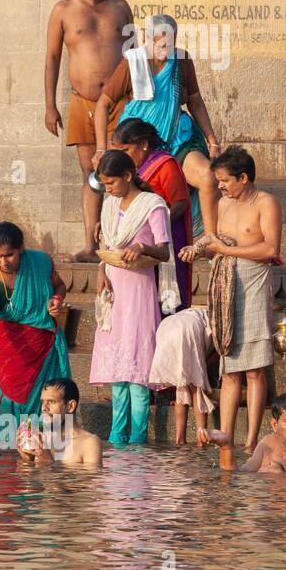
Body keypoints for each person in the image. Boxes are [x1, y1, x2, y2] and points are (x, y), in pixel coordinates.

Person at [181, 145, 282, 453]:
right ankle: (225, 438)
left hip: (253, 283)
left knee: (254, 370)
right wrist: (197, 249)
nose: (220, 186)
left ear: (244, 177)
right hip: (226, 285)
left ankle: (251, 441)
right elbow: (215, 241)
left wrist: (227, 251)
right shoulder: (223, 204)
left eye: (225, 181)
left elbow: (270, 250)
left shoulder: (267, 203)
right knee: (229, 369)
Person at [94, 14, 223, 239]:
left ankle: (208, 241)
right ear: (148, 38)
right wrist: (101, 149)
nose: (165, 48)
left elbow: (195, 101)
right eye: (159, 42)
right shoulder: (132, 62)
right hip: (138, 144)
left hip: (177, 138)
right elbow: (103, 105)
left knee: (207, 177)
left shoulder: (181, 61)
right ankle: (120, 237)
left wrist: (212, 140)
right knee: (122, 187)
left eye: (169, 42)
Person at [44, 0, 133, 261]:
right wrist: (50, 105)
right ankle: (91, 246)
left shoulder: (121, 8)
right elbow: (53, 57)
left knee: (124, 170)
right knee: (90, 174)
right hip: (83, 102)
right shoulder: (63, 11)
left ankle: (122, 240)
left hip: (121, 103)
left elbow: (133, 55)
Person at [91, 149, 175, 447]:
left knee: (138, 372)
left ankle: (138, 439)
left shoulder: (153, 206)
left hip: (139, 290)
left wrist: (142, 248)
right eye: (104, 184)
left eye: (111, 183)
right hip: (114, 290)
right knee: (117, 373)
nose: (108, 189)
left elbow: (165, 251)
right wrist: (102, 268)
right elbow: (107, 244)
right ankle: (116, 439)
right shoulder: (111, 204)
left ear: (128, 176)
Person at [0, 223, 71, 437]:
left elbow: (60, 285)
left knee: (46, 421)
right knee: (9, 425)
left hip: (45, 351)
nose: (4, 262)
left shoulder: (41, 262)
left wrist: (56, 299)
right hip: (10, 357)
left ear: (21, 249)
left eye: (9, 255)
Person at [110, 118, 193, 305]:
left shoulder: (165, 166)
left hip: (163, 241)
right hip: (136, 244)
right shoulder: (132, 170)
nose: (122, 156)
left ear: (144, 145)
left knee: (163, 298)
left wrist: (157, 225)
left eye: (125, 150)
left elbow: (180, 203)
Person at [200, 392, 286, 475]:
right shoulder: (268, 443)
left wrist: (280, 477)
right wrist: (226, 448)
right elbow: (236, 476)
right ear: (274, 425)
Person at [147, 307, 215, 447]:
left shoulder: (198, 313)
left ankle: (180, 440)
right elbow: (220, 351)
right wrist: (201, 369)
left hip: (167, 326)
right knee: (197, 388)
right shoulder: (217, 319)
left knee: (181, 385)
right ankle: (201, 440)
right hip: (187, 329)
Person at [16, 379, 103, 469]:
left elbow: (91, 482)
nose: (43, 408)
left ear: (70, 406)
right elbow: (31, 480)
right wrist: (28, 460)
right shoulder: (42, 439)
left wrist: (47, 463)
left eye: (51, 402)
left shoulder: (89, 443)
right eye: (43, 402)